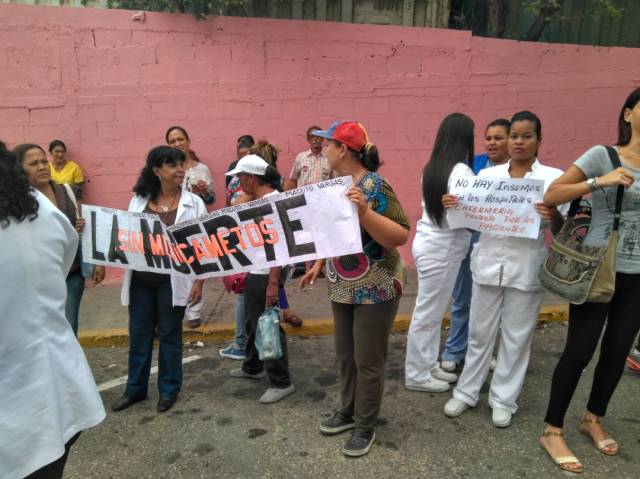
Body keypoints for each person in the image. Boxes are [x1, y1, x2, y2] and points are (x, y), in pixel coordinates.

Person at [443, 111, 565, 429]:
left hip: (525, 268)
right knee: (479, 333)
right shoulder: (487, 179)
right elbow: (471, 226)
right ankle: (467, 392)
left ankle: (503, 400)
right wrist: (457, 210)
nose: (519, 142)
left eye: (527, 136)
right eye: (514, 136)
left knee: (516, 337)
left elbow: (565, 229)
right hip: (486, 265)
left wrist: (551, 215)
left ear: (538, 140)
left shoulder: (553, 178)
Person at [540, 88, 640, 473]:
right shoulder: (603, 155)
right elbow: (554, 193)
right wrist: (601, 181)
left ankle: (593, 418)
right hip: (598, 269)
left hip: (637, 276)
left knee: (617, 353)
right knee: (579, 352)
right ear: (628, 114)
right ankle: (552, 429)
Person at [301, 121, 410, 457]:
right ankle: (348, 412)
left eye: (328, 143)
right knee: (346, 356)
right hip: (342, 283)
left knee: (368, 359)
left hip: (376, 285)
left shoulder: (375, 184)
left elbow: (399, 235)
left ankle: (365, 425)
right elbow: (331, 232)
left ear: (343, 149)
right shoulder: (334, 185)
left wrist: (363, 211)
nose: (323, 148)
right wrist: (319, 264)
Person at [0, 148, 105, 479]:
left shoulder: (56, 201)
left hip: (16, 418)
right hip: (62, 393)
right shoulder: (43, 209)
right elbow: (64, 257)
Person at [112, 146, 206, 414]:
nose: (180, 169)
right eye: (172, 165)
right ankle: (135, 389)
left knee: (169, 335)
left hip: (172, 281)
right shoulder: (138, 201)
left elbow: (201, 244)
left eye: (181, 164)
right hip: (141, 280)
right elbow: (126, 235)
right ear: (156, 171)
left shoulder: (193, 203)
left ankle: (168, 388)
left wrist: (199, 281)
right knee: (139, 335)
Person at [404, 113, 476, 393]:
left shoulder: (432, 167)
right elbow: (464, 218)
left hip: (429, 244)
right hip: (443, 249)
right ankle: (416, 374)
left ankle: (427, 363)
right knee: (428, 313)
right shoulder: (461, 172)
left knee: (431, 311)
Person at [441, 119, 511, 373]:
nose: (492, 143)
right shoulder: (473, 165)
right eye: (488, 137)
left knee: (491, 304)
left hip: (501, 245)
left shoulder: (517, 171)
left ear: (510, 140)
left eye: (498, 138)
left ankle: (483, 351)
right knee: (462, 298)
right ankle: (454, 350)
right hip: (470, 241)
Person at [13, 143, 105, 335]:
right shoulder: (17, 202)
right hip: (38, 278)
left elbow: (85, 224)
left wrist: (97, 260)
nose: (41, 167)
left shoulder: (68, 191)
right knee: (42, 328)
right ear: (19, 169)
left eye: (43, 161)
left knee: (69, 325)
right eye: (33, 163)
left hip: (71, 273)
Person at [226, 154, 296, 404]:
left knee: (266, 324)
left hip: (267, 273)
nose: (238, 184)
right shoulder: (262, 199)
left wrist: (273, 283)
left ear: (251, 177)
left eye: (240, 178)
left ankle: (281, 381)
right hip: (259, 270)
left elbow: (279, 245)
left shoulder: (270, 202)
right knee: (251, 321)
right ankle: (252, 367)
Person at [249, 139, 304, 328]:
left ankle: (250, 341)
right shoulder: (265, 183)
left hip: (268, 256)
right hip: (263, 254)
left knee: (271, 288)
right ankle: (284, 313)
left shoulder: (269, 186)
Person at [165, 126, 214, 329]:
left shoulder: (201, 169)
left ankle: (193, 310)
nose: (177, 144)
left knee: (195, 265)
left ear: (188, 141)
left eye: (180, 139)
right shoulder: (164, 169)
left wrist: (201, 192)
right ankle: (173, 307)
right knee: (171, 270)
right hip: (169, 226)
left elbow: (211, 199)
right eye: (172, 141)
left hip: (193, 225)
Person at [286, 125, 331, 278]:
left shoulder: (329, 159)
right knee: (301, 234)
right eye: (313, 137)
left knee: (319, 234)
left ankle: (316, 266)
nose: (316, 139)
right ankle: (299, 266)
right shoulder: (301, 158)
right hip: (302, 202)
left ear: (323, 139)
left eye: (319, 137)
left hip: (321, 203)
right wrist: (290, 200)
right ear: (308, 140)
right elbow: (292, 179)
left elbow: (334, 181)